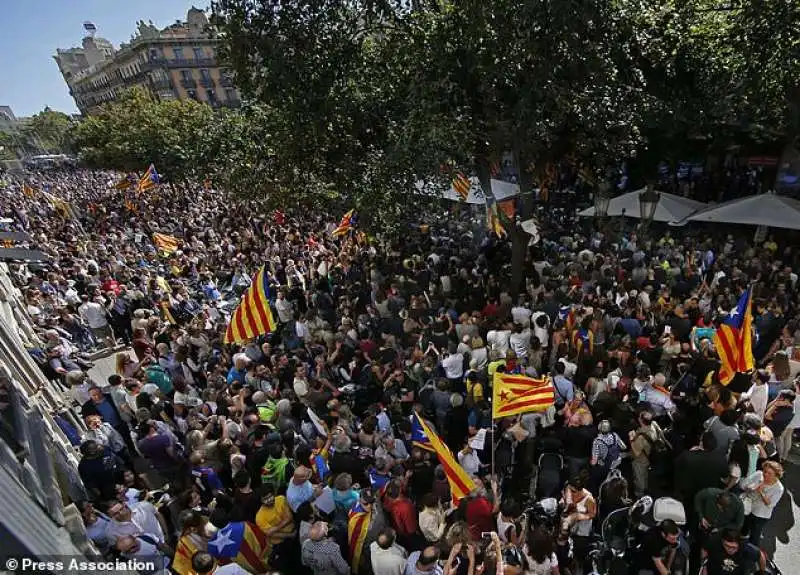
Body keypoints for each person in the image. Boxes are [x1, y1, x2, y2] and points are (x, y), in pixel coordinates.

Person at [740, 460, 785, 545]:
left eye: (769, 473)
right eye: (765, 471)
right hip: (748, 508)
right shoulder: (758, 474)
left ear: (776, 475)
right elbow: (743, 485)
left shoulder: (779, 488)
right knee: (744, 528)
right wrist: (750, 488)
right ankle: (741, 541)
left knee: (755, 536)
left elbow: (770, 504)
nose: (765, 474)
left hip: (760, 515)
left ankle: (752, 552)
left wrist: (761, 492)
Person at [701, 528, 766, 575]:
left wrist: (761, 572)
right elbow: (704, 549)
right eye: (727, 546)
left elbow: (760, 555)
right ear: (722, 541)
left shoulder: (744, 547)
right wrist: (704, 566)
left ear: (739, 543)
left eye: (734, 547)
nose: (730, 549)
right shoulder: (714, 542)